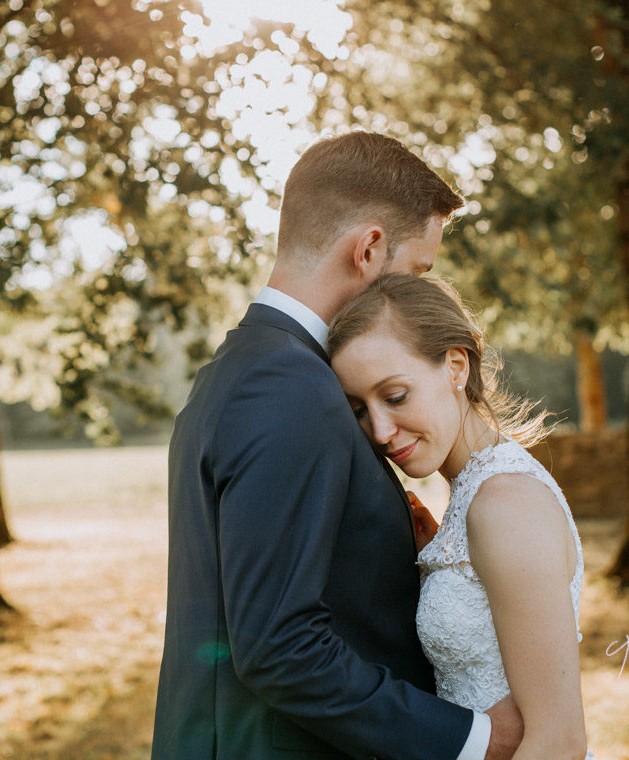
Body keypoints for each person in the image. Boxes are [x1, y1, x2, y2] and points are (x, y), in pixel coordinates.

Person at [152, 132, 524, 759]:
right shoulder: (288, 387)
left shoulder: (240, 369)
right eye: (416, 273)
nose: (417, 295)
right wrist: (473, 740)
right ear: (370, 249)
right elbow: (279, 647)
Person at [327, 274, 593, 760]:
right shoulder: (471, 497)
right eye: (360, 410)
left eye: (395, 396)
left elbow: (559, 742)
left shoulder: (504, 503)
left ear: (455, 366)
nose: (380, 431)